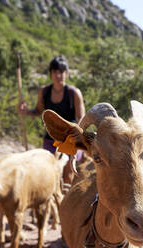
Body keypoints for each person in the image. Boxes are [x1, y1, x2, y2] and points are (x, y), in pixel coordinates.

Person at [18, 55, 85, 186]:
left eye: (61, 72)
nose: (58, 75)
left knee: (67, 175)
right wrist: (25, 111)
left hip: (70, 140)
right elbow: (38, 111)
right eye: (55, 72)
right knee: (48, 176)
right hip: (50, 139)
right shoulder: (44, 91)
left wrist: (74, 143)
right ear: (50, 74)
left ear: (67, 73)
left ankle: (66, 203)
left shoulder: (74, 93)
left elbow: (82, 120)